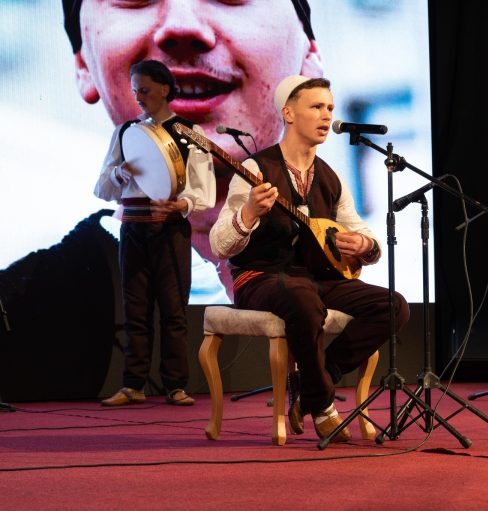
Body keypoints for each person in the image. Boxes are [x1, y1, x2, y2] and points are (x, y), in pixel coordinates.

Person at [63, 0, 323, 300]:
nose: (183, 25)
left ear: (308, 53)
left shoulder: (361, 298)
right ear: (83, 63)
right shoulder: (28, 310)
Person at [210, 75, 410, 441]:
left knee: (393, 305)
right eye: (316, 107)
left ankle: (312, 381)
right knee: (303, 299)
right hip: (261, 277)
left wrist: (363, 245)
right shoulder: (256, 169)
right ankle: (323, 405)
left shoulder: (331, 178)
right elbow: (219, 245)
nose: (326, 115)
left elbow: (361, 233)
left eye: (330, 107)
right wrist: (249, 213)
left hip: (316, 278)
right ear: (288, 113)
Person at [96, 60, 215, 406]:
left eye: (145, 90)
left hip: (169, 229)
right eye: (136, 91)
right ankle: (133, 384)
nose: (139, 98)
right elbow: (101, 188)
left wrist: (181, 205)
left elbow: (204, 190)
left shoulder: (191, 132)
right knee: (135, 310)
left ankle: (175, 384)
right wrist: (118, 175)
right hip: (133, 228)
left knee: (173, 310)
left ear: (164, 89)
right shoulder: (126, 132)